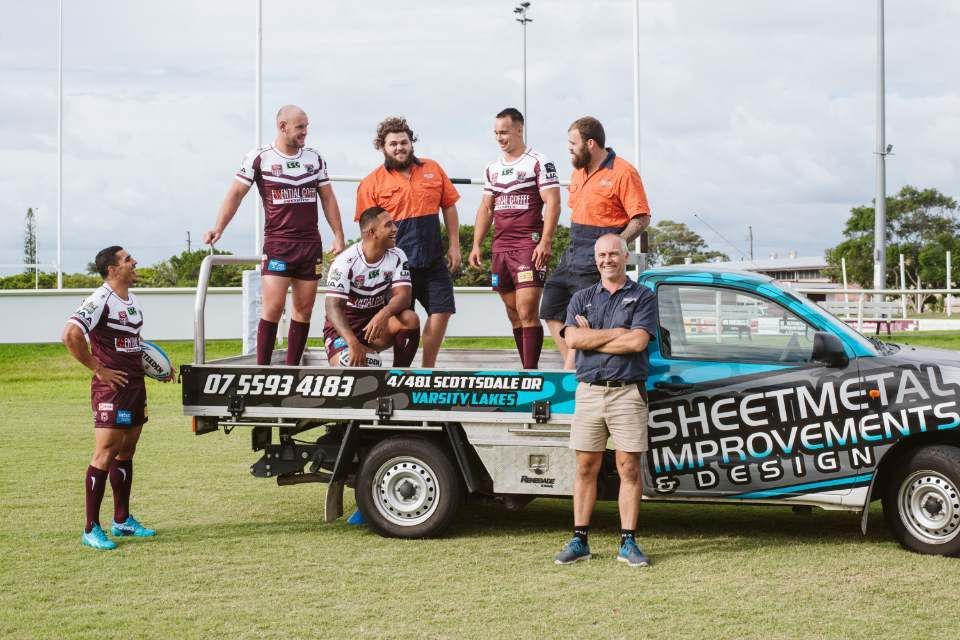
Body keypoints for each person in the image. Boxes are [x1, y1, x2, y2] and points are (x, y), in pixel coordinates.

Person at [203, 104, 346, 366]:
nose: (305, 132)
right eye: (300, 126)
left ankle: (290, 372)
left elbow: (327, 198)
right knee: (272, 307)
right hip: (279, 243)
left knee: (303, 310)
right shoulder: (259, 157)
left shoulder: (314, 158)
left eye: (307, 126)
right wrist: (218, 227)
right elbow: (235, 194)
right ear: (283, 126)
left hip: (309, 244)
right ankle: (263, 370)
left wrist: (338, 235)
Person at [553, 234, 657, 568]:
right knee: (586, 467)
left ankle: (628, 542)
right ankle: (579, 539)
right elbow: (571, 338)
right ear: (595, 259)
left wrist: (591, 338)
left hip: (627, 392)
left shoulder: (643, 296)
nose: (607, 259)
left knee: (628, 467)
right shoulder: (581, 298)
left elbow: (638, 343)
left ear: (625, 256)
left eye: (613, 253)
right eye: (601, 255)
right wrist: (616, 332)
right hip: (590, 392)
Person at [62, 246, 174, 550]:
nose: (134, 262)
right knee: (106, 451)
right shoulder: (99, 300)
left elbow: (133, 344)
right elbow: (70, 335)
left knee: (127, 451)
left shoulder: (132, 300)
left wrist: (159, 368)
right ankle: (90, 528)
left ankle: (122, 520)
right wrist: (99, 370)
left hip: (135, 386)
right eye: (127, 260)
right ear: (113, 269)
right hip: (111, 389)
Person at [540, 116, 651, 369]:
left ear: (590, 143)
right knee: (550, 308)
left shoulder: (623, 172)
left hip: (598, 254)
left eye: (573, 143)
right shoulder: (577, 172)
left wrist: (614, 246)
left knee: (583, 318)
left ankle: (571, 376)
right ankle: (578, 366)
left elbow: (642, 218)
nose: (569, 147)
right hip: (572, 250)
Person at [355, 117, 461, 368]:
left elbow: (449, 206)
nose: (399, 147)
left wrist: (454, 244)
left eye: (403, 142)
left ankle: (427, 371)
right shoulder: (371, 183)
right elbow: (367, 228)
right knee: (402, 319)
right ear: (382, 147)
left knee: (442, 311)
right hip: (396, 266)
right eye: (393, 144)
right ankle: (397, 370)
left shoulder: (433, 168)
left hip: (433, 259)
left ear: (411, 142)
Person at [469, 108, 560, 369]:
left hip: (528, 244)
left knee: (527, 310)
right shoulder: (492, 168)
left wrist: (546, 241)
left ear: (519, 129)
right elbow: (486, 208)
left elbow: (553, 202)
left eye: (505, 132)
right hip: (501, 247)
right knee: (513, 313)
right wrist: (476, 244)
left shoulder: (538, 161)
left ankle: (530, 373)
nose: (500, 138)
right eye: (496, 133)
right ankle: (524, 366)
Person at [323, 207, 421, 367]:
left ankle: (398, 378)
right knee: (349, 366)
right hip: (343, 332)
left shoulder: (398, 255)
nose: (395, 229)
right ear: (372, 233)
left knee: (410, 319)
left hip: (373, 328)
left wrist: (383, 314)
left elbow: (404, 297)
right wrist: (352, 343)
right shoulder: (344, 262)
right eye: (388, 225)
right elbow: (332, 308)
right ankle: (349, 351)